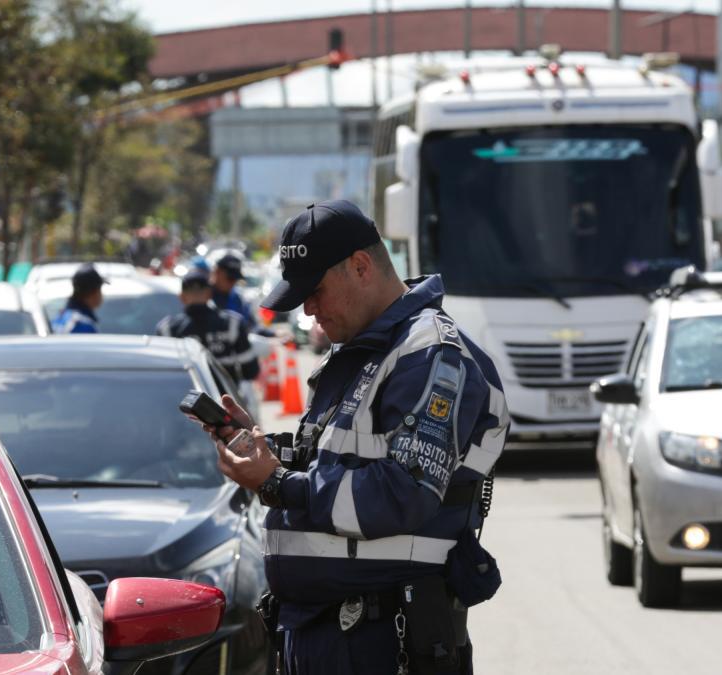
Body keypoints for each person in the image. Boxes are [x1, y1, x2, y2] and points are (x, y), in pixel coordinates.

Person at [198, 200, 509, 675]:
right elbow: (335, 458)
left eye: (316, 291)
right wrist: (264, 448)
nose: (307, 309)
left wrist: (278, 483)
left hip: (383, 639)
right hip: (325, 633)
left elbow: (404, 491)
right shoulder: (365, 349)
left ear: (361, 267)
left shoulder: (430, 354)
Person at [157, 268, 259, 384]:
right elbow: (251, 371)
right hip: (225, 400)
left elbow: (163, 376)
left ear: (182, 297)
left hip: (186, 400)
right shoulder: (232, 323)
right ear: (209, 294)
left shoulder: (167, 329)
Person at [53, 265, 107, 334]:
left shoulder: (61, 317)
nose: (101, 295)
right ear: (92, 293)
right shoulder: (83, 326)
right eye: (99, 290)